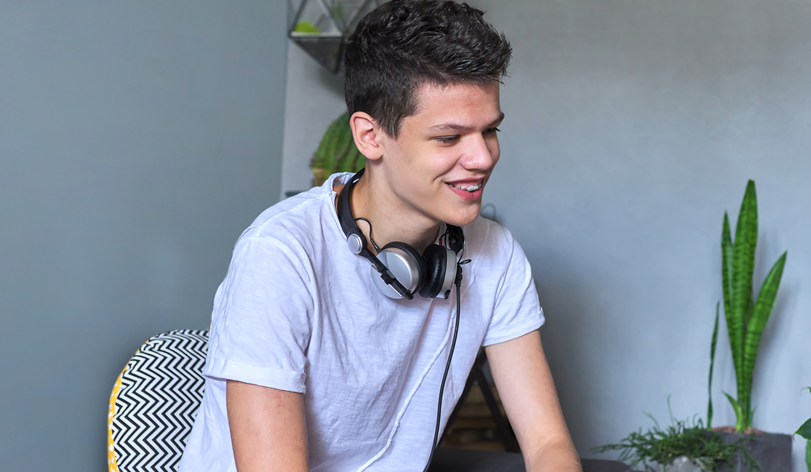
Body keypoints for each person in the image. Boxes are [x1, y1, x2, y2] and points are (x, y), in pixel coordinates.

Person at [178, 1, 581, 471]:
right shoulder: (280, 254)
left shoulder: (495, 253)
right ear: (370, 136)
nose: (483, 157)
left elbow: (549, 444)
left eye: (489, 130)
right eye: (449, 138)